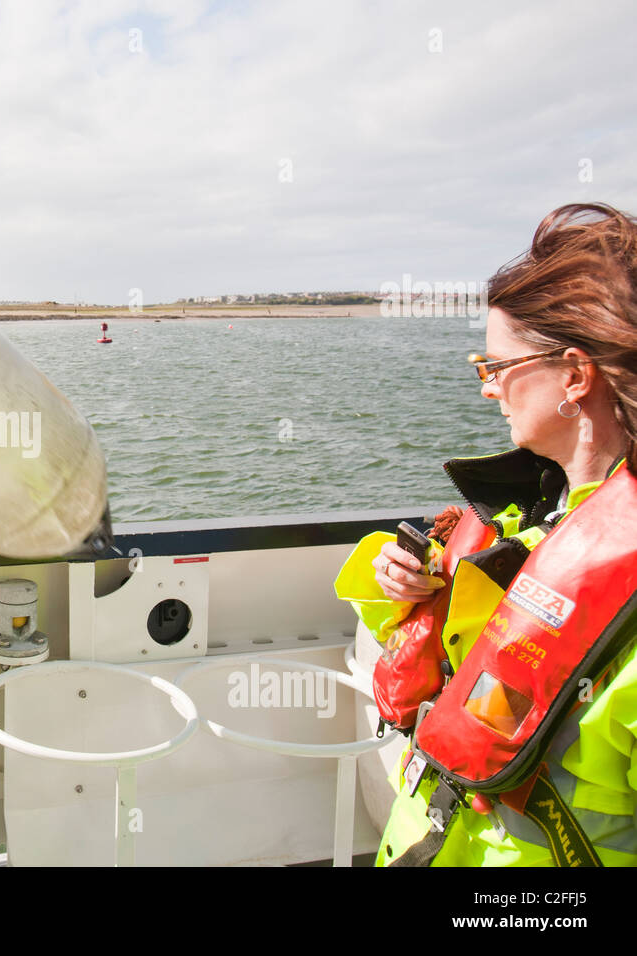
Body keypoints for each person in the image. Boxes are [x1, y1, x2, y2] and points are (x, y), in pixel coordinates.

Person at [336, 202, 637, 866]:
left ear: (575, 376)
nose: (487, 389)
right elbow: (463, 656)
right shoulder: (529, 514)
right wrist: (397, 580)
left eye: (496, 367)